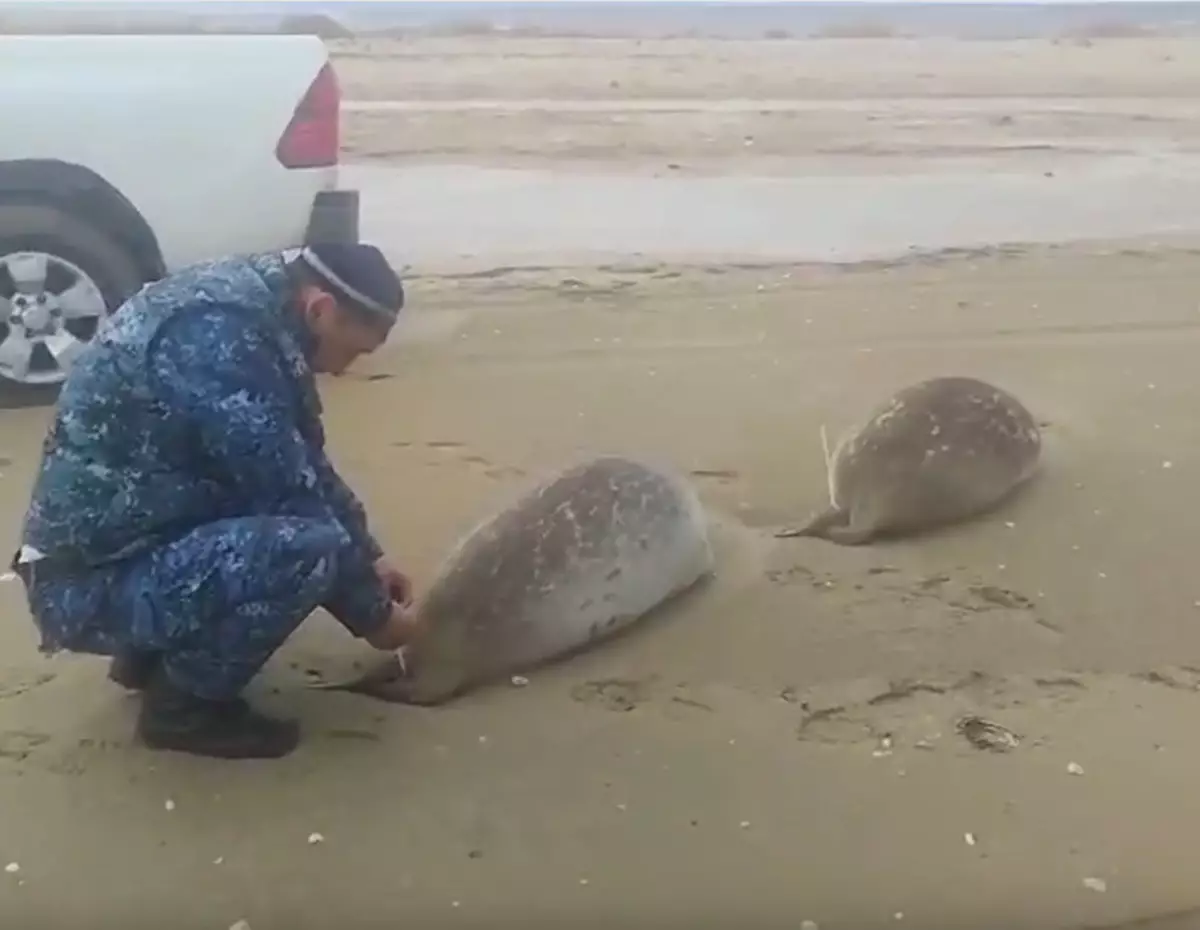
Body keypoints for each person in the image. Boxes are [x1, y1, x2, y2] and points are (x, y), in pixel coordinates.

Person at [12, 243, 422, 761]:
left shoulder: (256, 306)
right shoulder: (218, 339)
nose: (343, 370)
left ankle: (150, 654)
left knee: (309, 530)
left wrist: (372, 554)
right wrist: (378, 621)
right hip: (84, 586)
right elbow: (288, 492)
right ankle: (182, 710)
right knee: (308, 550)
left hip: (127, 540)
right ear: (321, 309)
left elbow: (301, 457)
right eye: (353, 350)